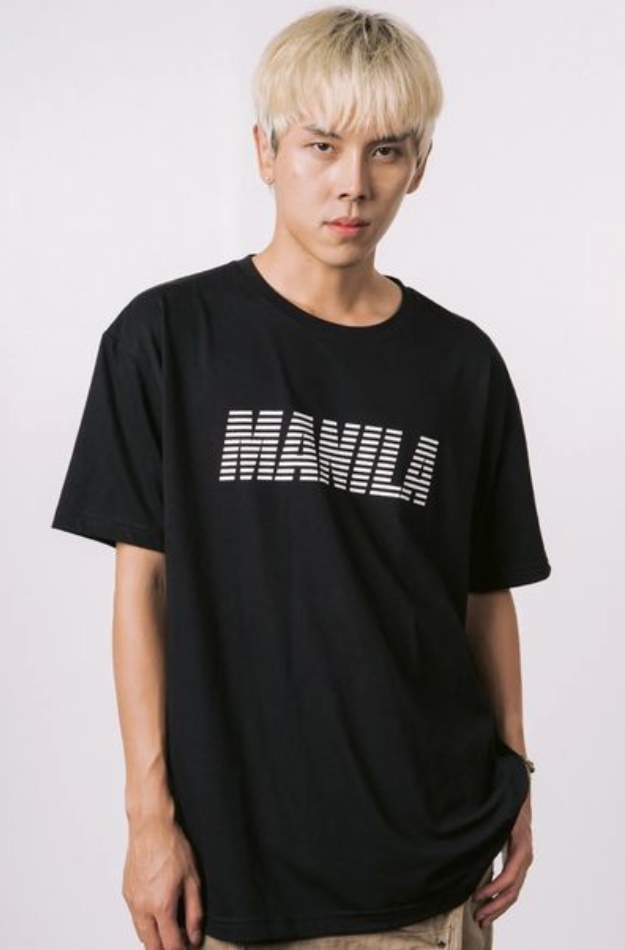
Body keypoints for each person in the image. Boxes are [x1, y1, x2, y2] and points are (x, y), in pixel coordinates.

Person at [51, 6, 552, 950]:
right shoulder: (167, 340)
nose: (352, 183)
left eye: (386, 151)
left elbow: (485, 595)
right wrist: (147, 817)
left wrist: (516, 780)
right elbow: (141, 588)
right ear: (266, 150)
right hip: (232, 870)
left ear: (419, 165)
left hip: (428, 869)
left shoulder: (460, 365)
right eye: (321, 145)